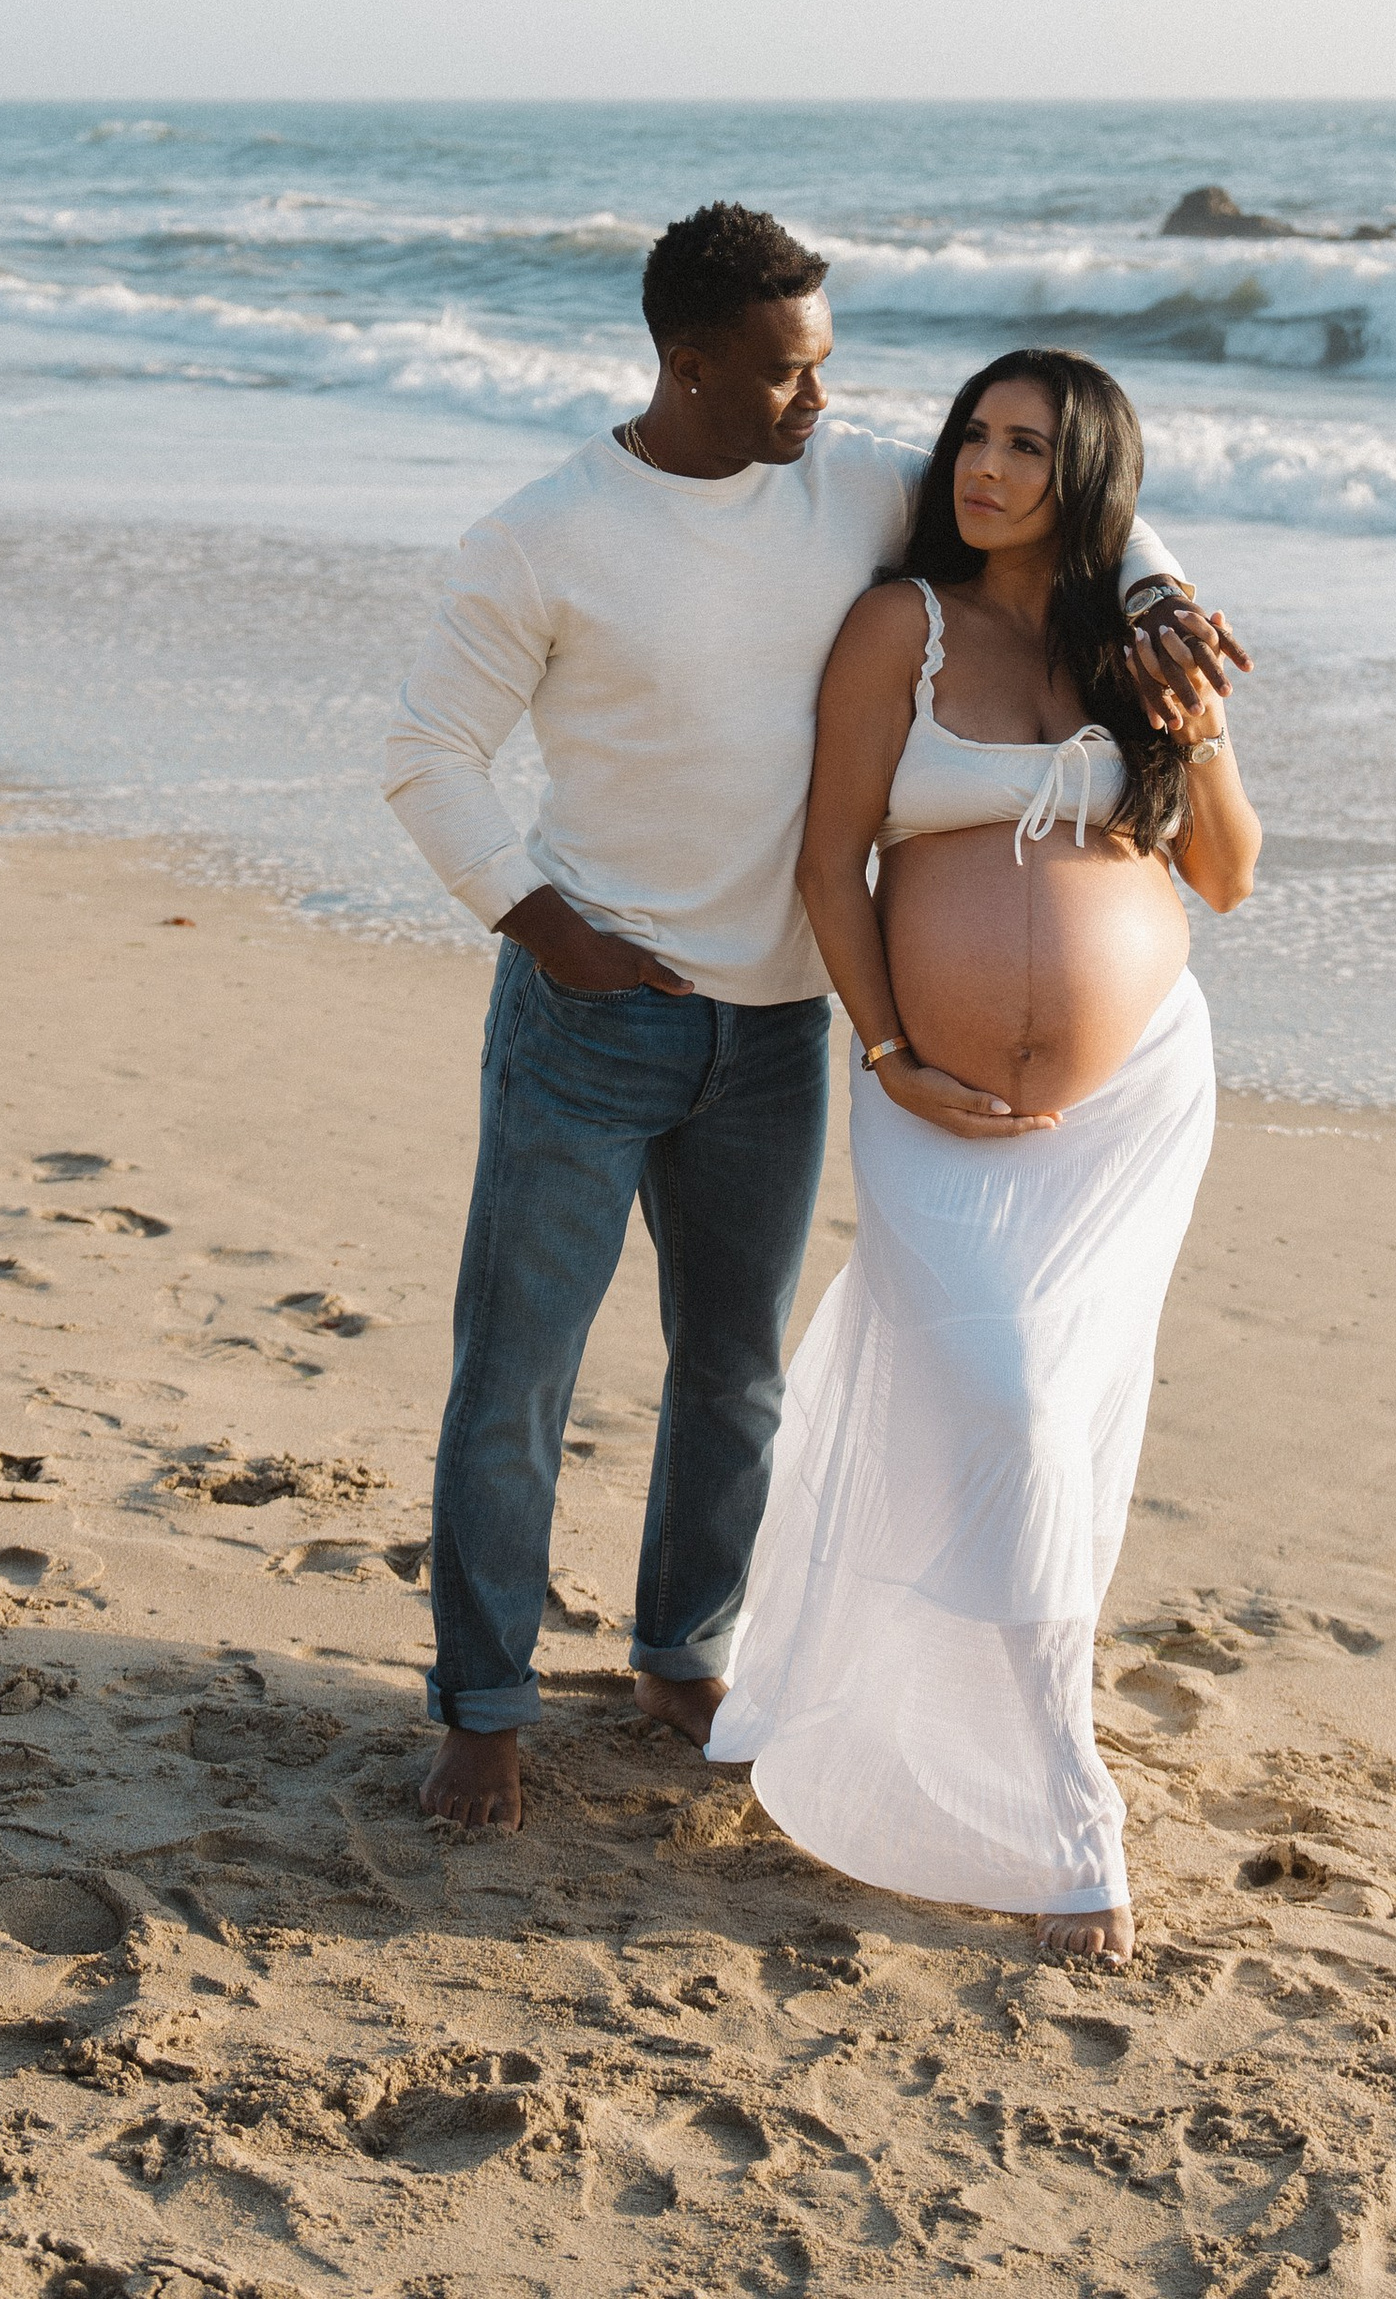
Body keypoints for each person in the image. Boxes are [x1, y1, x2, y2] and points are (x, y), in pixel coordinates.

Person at [382, 206, 1244, 1833]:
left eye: (829, 366)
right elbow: (429, 753)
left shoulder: (846, 493)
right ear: (688, 365)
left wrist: (1163, 594)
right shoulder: (544, 535)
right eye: (788, 374)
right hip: (592, 1018)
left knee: (734, 1375)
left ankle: (681, 1652)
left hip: (776, 1027)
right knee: (517, 1373)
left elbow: (1066, 499)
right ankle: (483, 1709)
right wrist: (547, 924)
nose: (823, 403)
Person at [707, 347, 1261, 1965]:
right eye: (974, 435)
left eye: (1026, 446)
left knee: (1062, 1408)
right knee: (1002, 1398)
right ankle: (1057, 1793)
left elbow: (1225, 874)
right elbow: (828, 862)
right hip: (929, 1098)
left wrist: (1199, 725)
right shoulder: (902, 625)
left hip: (1130, 1107)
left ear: (1086, 476)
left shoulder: (1130, 643)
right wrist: (885, 1050)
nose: (986, 466)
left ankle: (1041, 1744)